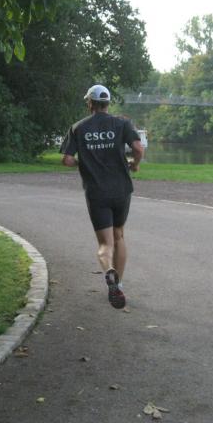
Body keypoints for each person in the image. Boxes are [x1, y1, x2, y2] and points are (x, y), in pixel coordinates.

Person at [60, 84, 144, 309]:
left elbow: (67, 159)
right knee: (119, 236)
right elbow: (138, 148)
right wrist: (135, 164)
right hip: (121, 189)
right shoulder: (122, 123)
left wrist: (82, 162)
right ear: (107, 103)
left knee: (105, 244)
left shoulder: (78, 127)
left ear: (90, 103)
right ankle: (119, 284)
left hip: (97, 191)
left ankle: (109, 271)